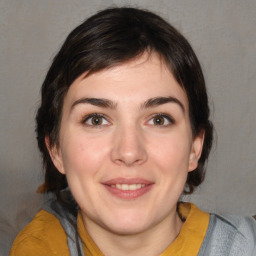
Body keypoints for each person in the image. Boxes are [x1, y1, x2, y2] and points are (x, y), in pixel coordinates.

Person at [10, 7, 256, 256]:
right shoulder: (36, 247)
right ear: (56, 149)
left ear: (195, 146)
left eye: (159, 120)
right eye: (96, 120)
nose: (129, 152)